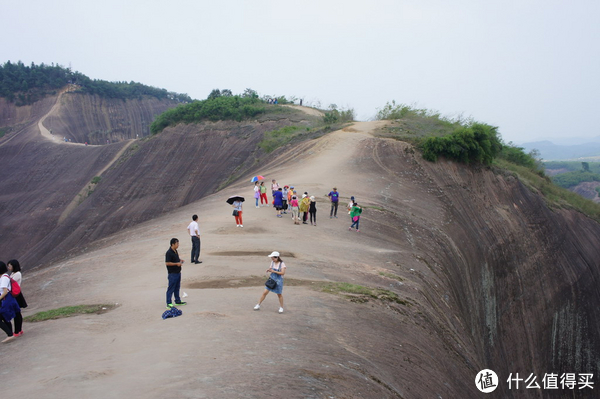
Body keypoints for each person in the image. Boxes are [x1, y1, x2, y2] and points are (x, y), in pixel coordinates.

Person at [0, 261, 22, 343]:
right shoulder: (3, 277)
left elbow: (5, 291)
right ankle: (10, 334)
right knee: (5, 318)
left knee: (5, 317)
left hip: (6, 300)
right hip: (6, 300)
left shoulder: (4, 278)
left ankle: (10, 334)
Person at [165, 238, 186, 309]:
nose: (178, 245)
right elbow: (167, 263)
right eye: (177, 244)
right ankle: (168, 303)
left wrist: (180, 260)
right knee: (171, 288)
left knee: (177, 287)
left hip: (178, 272)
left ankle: (177, 300)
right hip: (172, 273)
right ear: (172, 244)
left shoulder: (175, 251)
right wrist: (176, 264)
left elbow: (175, 259)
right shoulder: (169, 252)